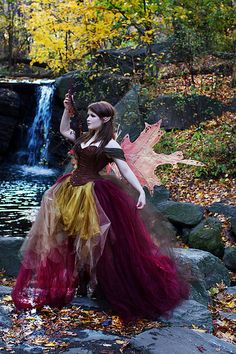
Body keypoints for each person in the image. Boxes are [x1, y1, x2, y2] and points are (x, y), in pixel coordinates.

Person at [12, 94, 189, 322]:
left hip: (94, 194)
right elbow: (65, 130)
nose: (88, 119)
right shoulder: (84, 137)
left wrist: (141, 191)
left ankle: (98, 285)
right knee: (70, 237)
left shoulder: (110, 144)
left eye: (93, 116)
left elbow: (125, 170)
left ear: (105, 119)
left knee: (95, 241)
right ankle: (80, 284)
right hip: (69, 191)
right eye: (88, 115)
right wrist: (67, 110)